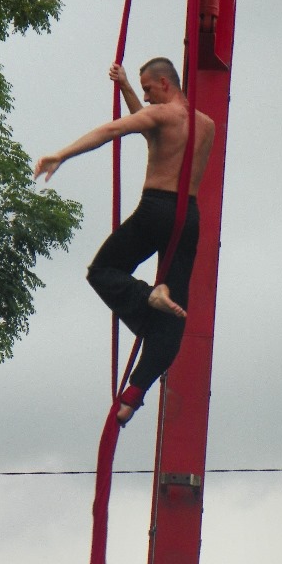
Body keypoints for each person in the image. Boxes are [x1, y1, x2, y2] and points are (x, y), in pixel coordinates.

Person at [34, 57, 215, 426]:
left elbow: (113, 129)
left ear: (165, 83)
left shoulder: (161, 115)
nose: (145, 98)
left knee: (102, 270)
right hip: (187, 219)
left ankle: (147, 296)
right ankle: (134, 395)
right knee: (174, 320)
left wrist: (62, 154)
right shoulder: (205, 125)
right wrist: (127, 86)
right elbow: (152, 128)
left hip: (155, 209)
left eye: (148, 90)